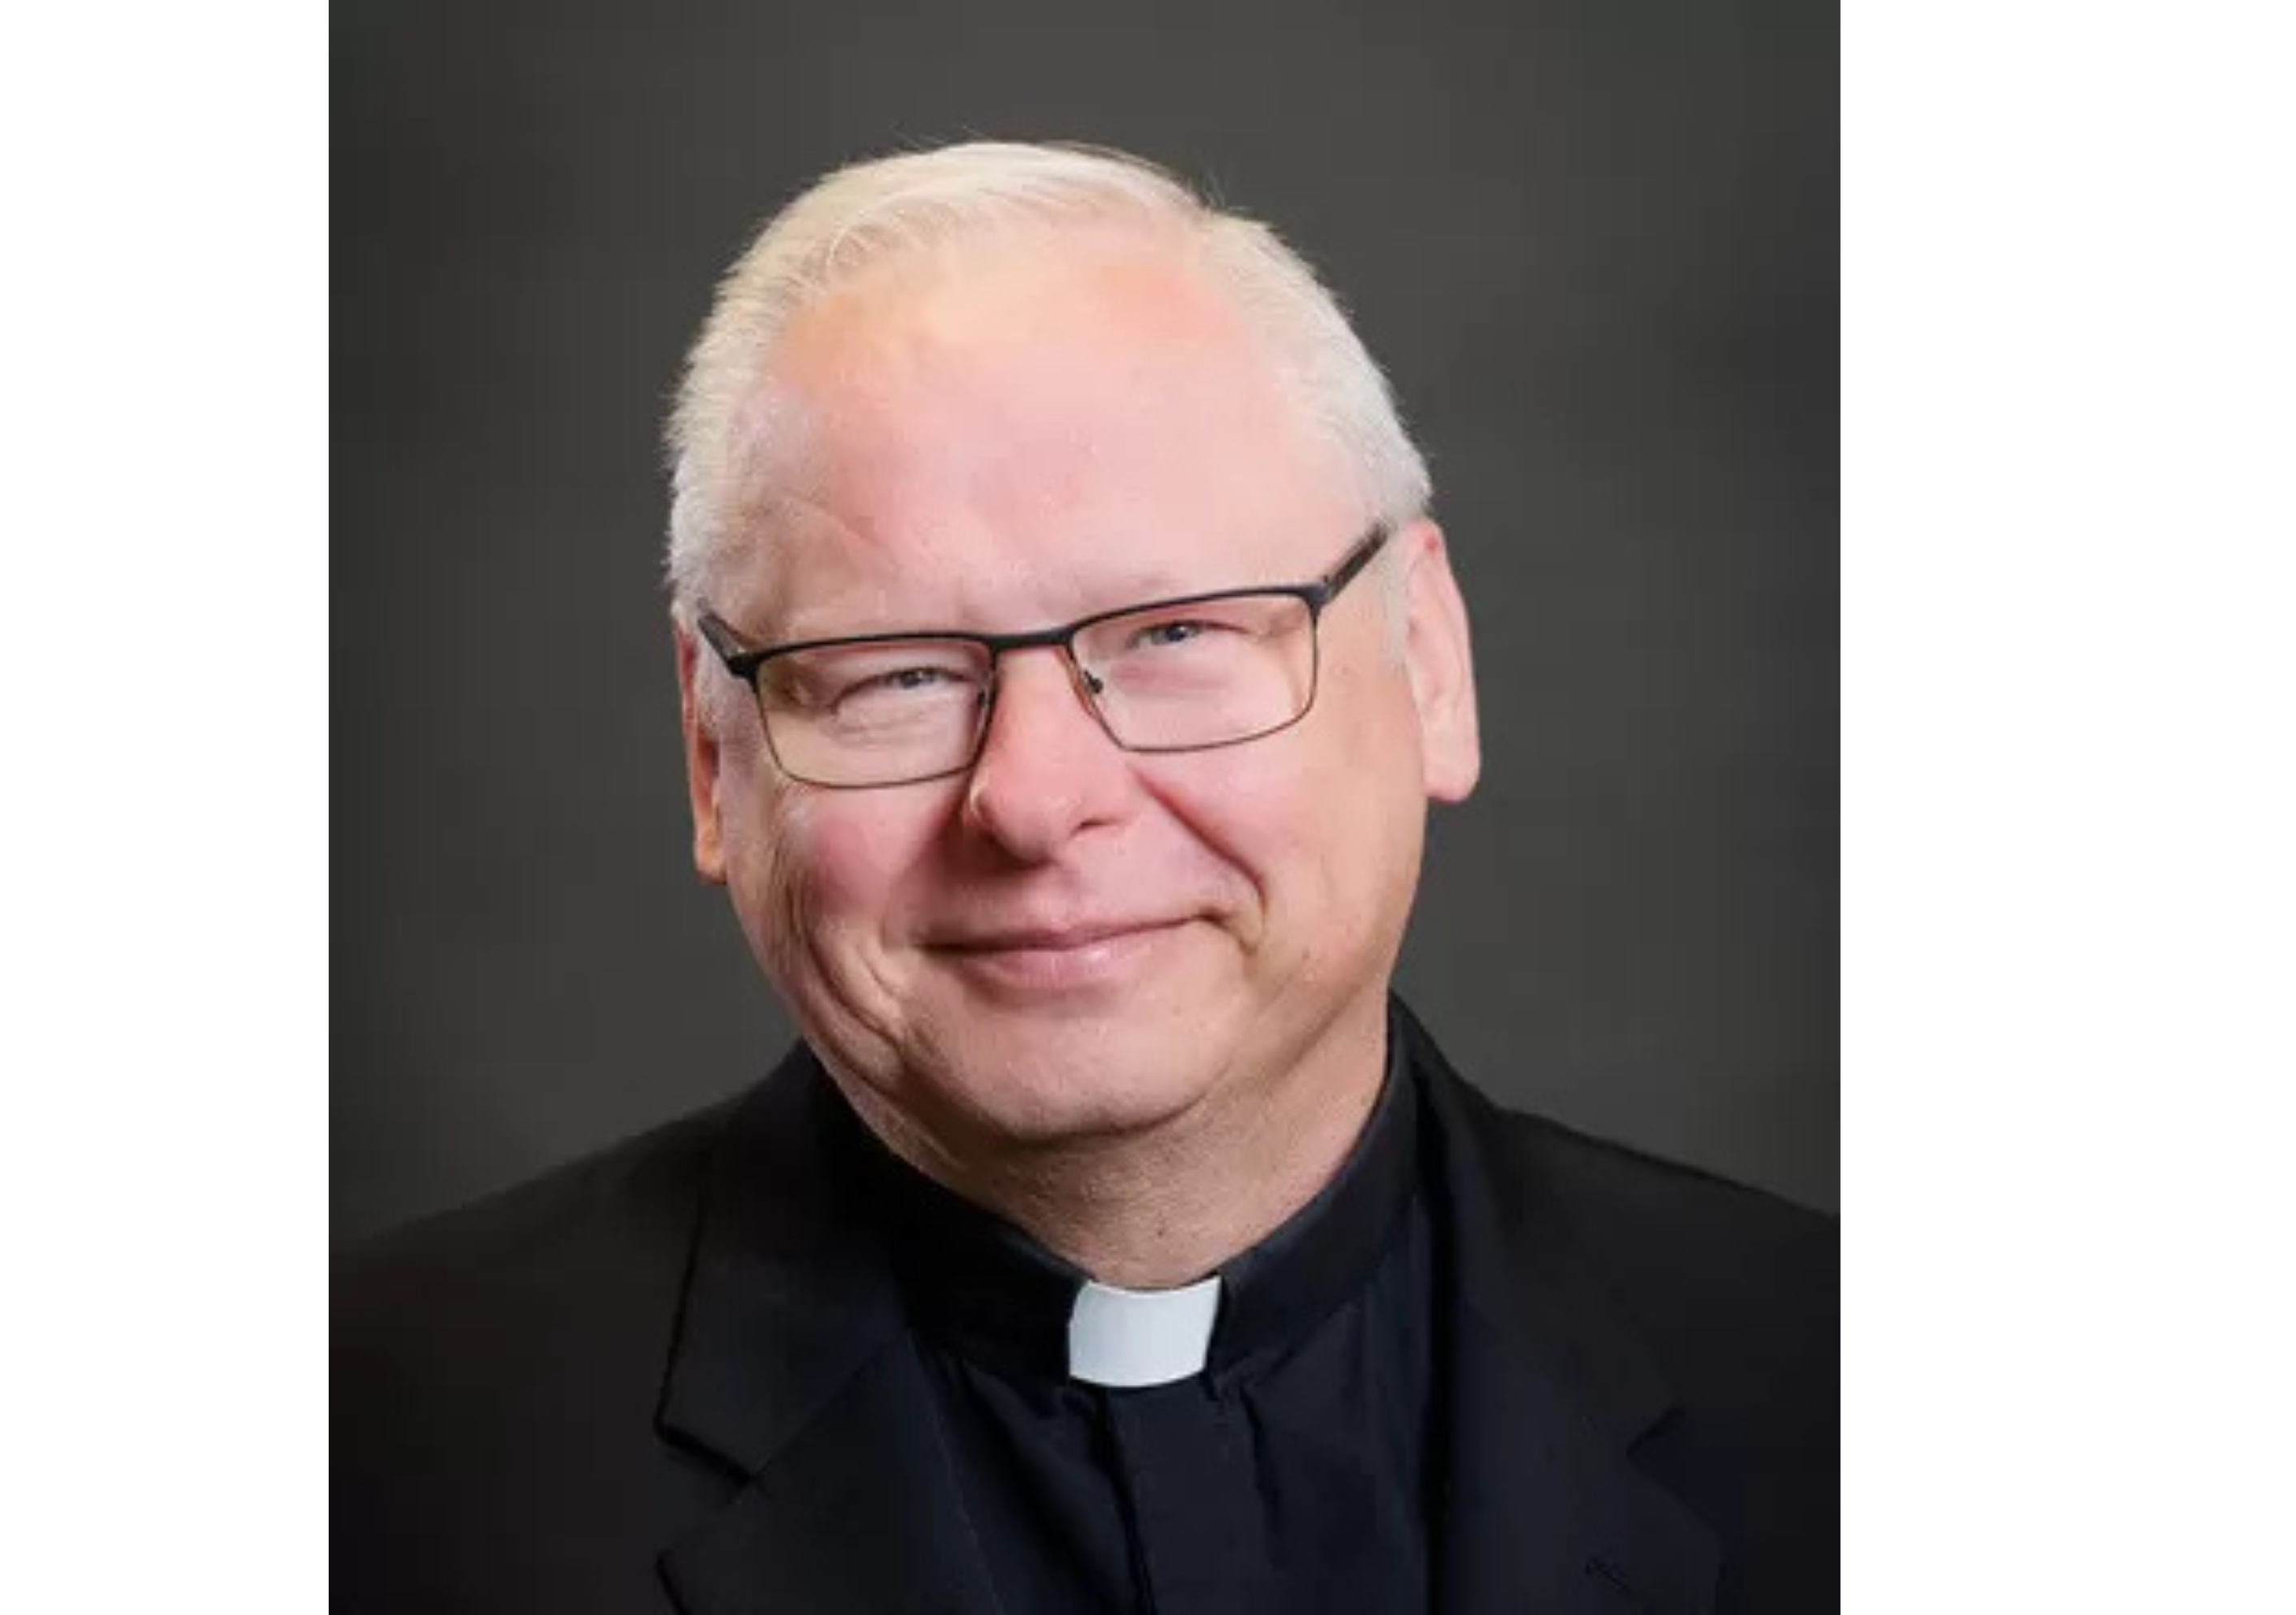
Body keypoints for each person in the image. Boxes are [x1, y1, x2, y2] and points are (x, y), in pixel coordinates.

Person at [334, 141, 1836, 1613]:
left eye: (1178, 634)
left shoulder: (1836, 1382)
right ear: (712, 757)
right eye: (895, 675)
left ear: (1430, 663)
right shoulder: (363, 1462)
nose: (1038, 804)